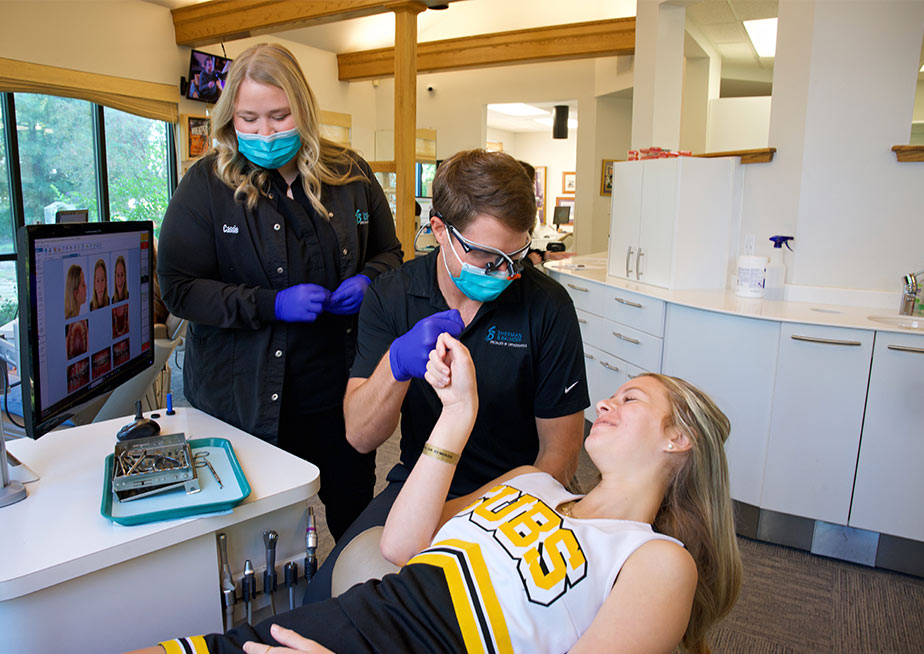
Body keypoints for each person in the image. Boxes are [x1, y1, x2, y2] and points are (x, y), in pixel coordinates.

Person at [129, 338, 742, 654]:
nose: (605, 402)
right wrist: (457, 414)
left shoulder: (658, 559)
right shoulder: (533, 482)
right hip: (336, 623)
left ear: (679, 438)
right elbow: (399, 544)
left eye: (631, 399)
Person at [303, 148, 588, 602]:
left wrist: (455, 519)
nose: (506, 273)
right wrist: (395, 365)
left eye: (518, 257)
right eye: (488, 258)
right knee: (325, 600)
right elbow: (359, 436)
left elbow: (560, 459)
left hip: (521, 495)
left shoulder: (547, 307)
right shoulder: (393, 295)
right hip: (422, 484)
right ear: (439, 230)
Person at [157, 43, 402, 539]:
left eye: (278, 116)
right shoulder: (206, 185)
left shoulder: (350, 175)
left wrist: (370, 279)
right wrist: (270, 305)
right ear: (230, 117)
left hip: (337, 391)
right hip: (243, 397)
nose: (264, 133)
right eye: (248, 119)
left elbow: (390, 254)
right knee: (258, 531)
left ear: (304, 111)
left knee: (353, 513)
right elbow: (179, 290)